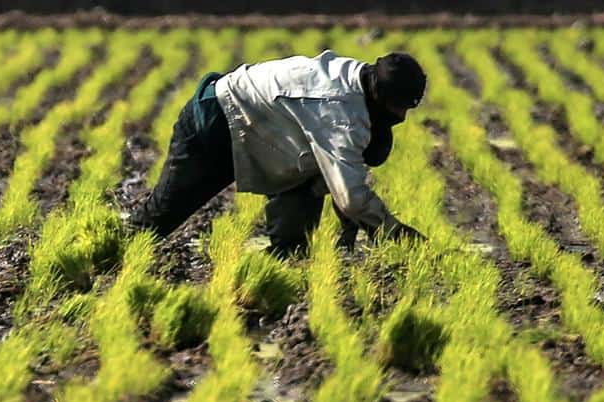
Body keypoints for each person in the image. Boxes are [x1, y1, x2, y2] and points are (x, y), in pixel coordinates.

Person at [124, 49, 428, 258]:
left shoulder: (358, 78)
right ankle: (107, 257)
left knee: (294, 248)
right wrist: (394, 231)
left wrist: (352, 226)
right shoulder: (338, 112)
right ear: (380, 95)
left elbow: (338, 177)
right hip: (216, 123)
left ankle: (270, 270)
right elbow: (350, 196)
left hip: (271, 137)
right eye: (399, 107)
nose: (402, 115)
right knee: (154, 225)